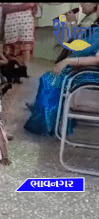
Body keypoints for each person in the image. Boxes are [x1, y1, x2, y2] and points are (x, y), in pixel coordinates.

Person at [25, 6, 99, 136]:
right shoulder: (94, 21)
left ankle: (48, 122)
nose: (81, 5)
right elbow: (80, 42)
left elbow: (97, 59)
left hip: (91, 72)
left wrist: (68, 61)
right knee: (47, 77)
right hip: (83, 67)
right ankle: (45, 112)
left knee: (50, 80)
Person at [1, 3, 36, 69]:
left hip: (26, 21)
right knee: (10, 47)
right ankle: (11, 67)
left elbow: (31, 4)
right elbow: (5, 8)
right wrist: (22, 7)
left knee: (26, 47)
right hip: (11, 21)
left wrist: (14, 7)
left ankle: (24, 69)